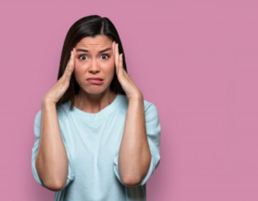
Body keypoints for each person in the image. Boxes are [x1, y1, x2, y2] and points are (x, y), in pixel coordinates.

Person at [31, 15, 161, 201]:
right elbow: (54, 180)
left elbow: (131, 176)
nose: (94, 68)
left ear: (118, 60)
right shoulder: (50, 115)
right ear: (70, 61)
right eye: (83, 57)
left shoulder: (144, 111)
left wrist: (135, 97)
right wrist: (48, 102)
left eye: (104, 56)